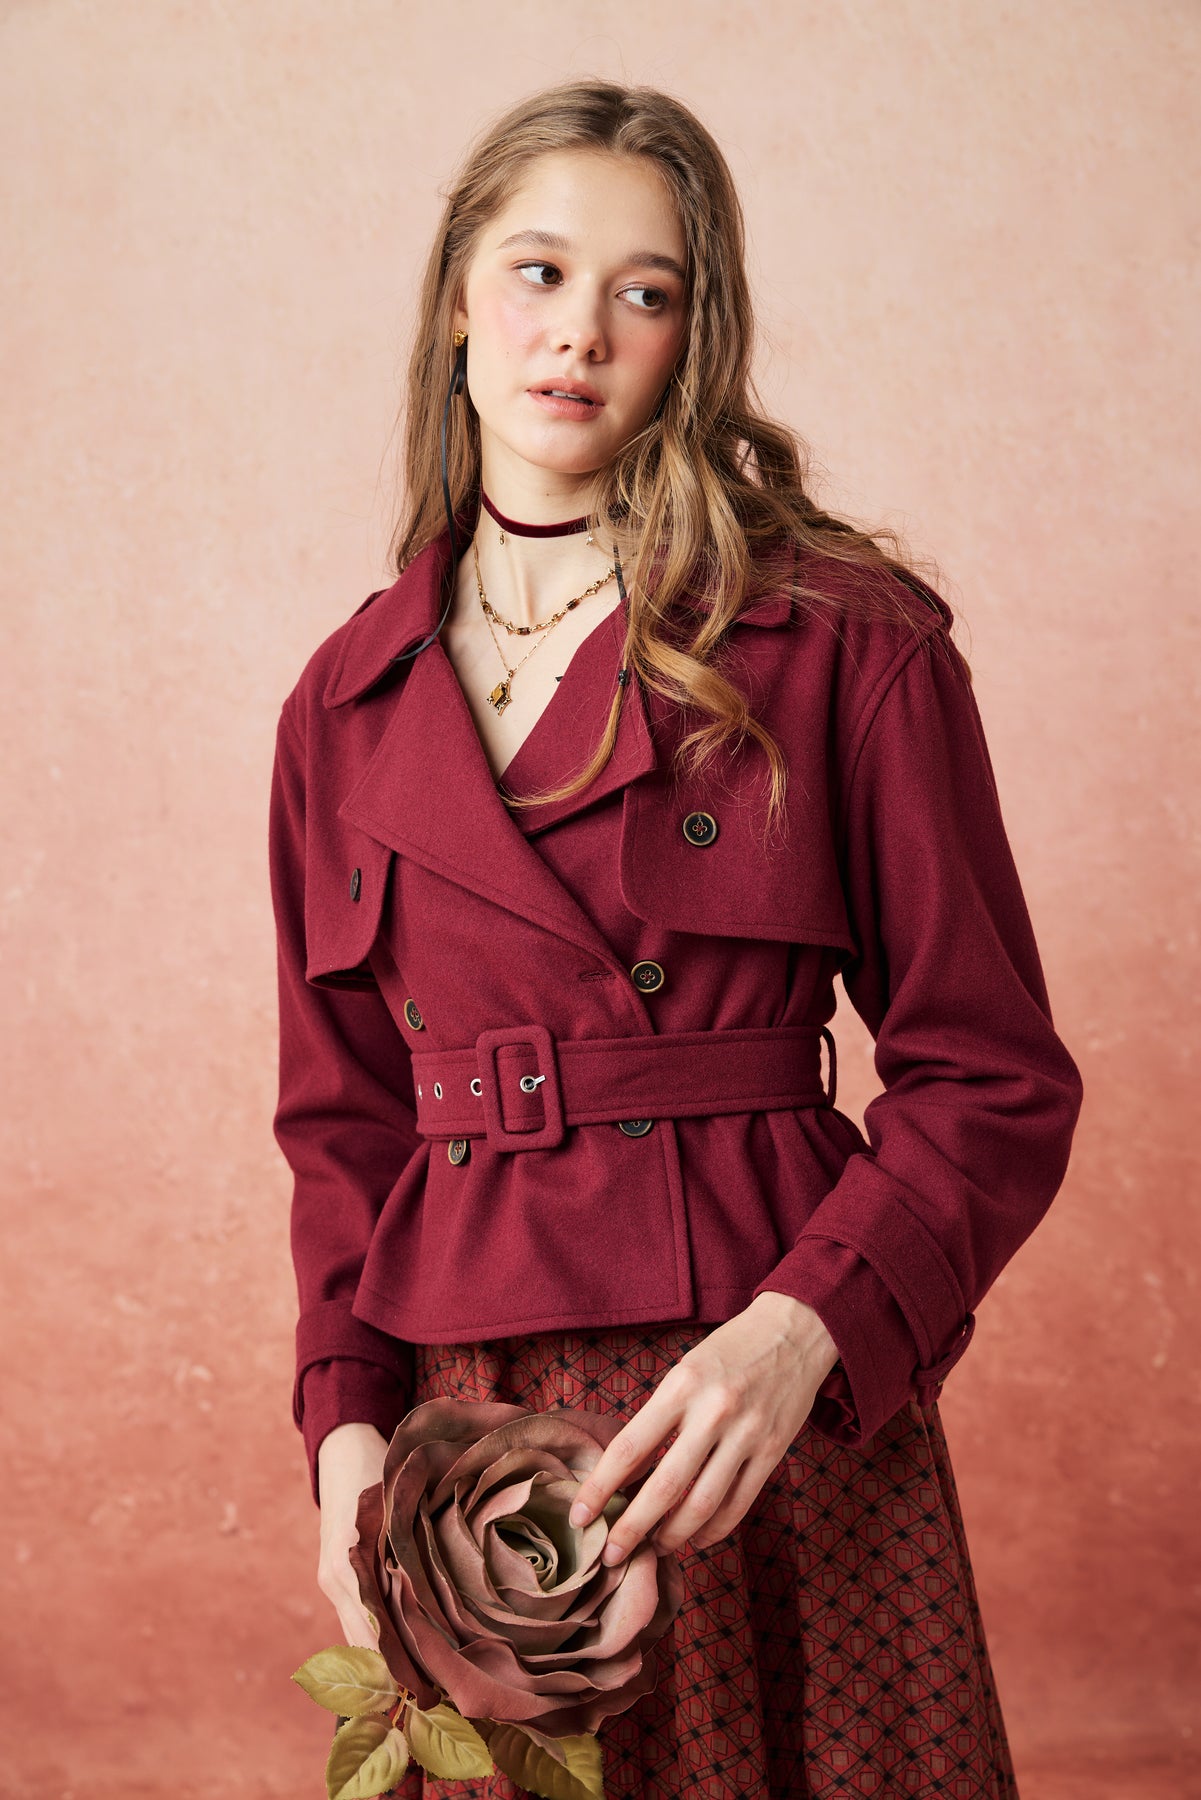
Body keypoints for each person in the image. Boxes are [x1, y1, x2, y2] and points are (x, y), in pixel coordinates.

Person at [268, 79, 1083, 1799]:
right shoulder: (340, 706)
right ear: (456, 298)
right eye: (537, 272)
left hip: (766, 1401)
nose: (578, 332)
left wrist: (803, 1335)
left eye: (642, 291)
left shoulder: (839, 642)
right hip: (473, 1453)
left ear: (690, 340)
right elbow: (341, 1131)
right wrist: (345, 1439)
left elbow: (992, 1081)